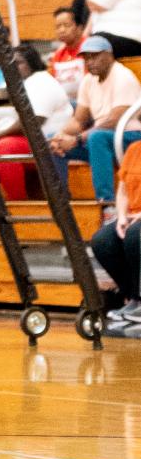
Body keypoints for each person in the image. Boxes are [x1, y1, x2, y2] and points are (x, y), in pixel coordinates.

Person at [49, 36, 141, 207]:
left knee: (97, 137)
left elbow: (115, 120)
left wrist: (76, 139)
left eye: (95, 56)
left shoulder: (123, 76)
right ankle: (61, 202)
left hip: (130, 136)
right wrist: (60, 136)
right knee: (51, 142)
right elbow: (78, 120)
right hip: (103, 138)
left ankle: (107, 204)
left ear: (109, 55)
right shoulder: (88, 80)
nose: (90, 62)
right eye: (87, 58)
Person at [0, 46, 73, 201]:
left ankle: (18, 203)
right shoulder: (16, 84)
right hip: (29, 143)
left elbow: (31, 122)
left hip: (49, 143)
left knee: (4, 147)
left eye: (18, 63)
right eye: (9, 64)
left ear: (32, 63)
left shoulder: (41, 80)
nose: (13, 68)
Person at [91, 136, 141, 336]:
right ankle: (132, 299)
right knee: (103, 240)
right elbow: (122, 191)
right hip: (132, 215)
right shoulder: (135, 149)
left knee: (136, 235)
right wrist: (121, 216)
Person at [48, 5, 87, 104]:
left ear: (80, 28)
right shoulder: (58, 55)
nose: (61, 30)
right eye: (58, 27)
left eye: (66, 25)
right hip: (65, 104)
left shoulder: (89, 50)